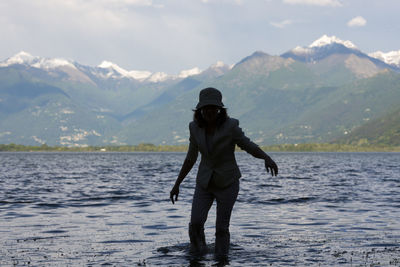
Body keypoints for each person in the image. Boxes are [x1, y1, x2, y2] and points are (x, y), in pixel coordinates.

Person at [170, 87, 278, 261]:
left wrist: (266, 158)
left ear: (220, 109)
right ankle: (198, 256)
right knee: (196, 223)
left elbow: (248, 145)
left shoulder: (231, 126)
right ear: (200, 110)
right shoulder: (194, 127)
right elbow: (191, 157)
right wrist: (177, 184)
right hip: (204, 183)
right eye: (206, 108)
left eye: (213, 108)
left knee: (221, 227)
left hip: (228, 182)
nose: (209, 111)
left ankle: (221, 259)